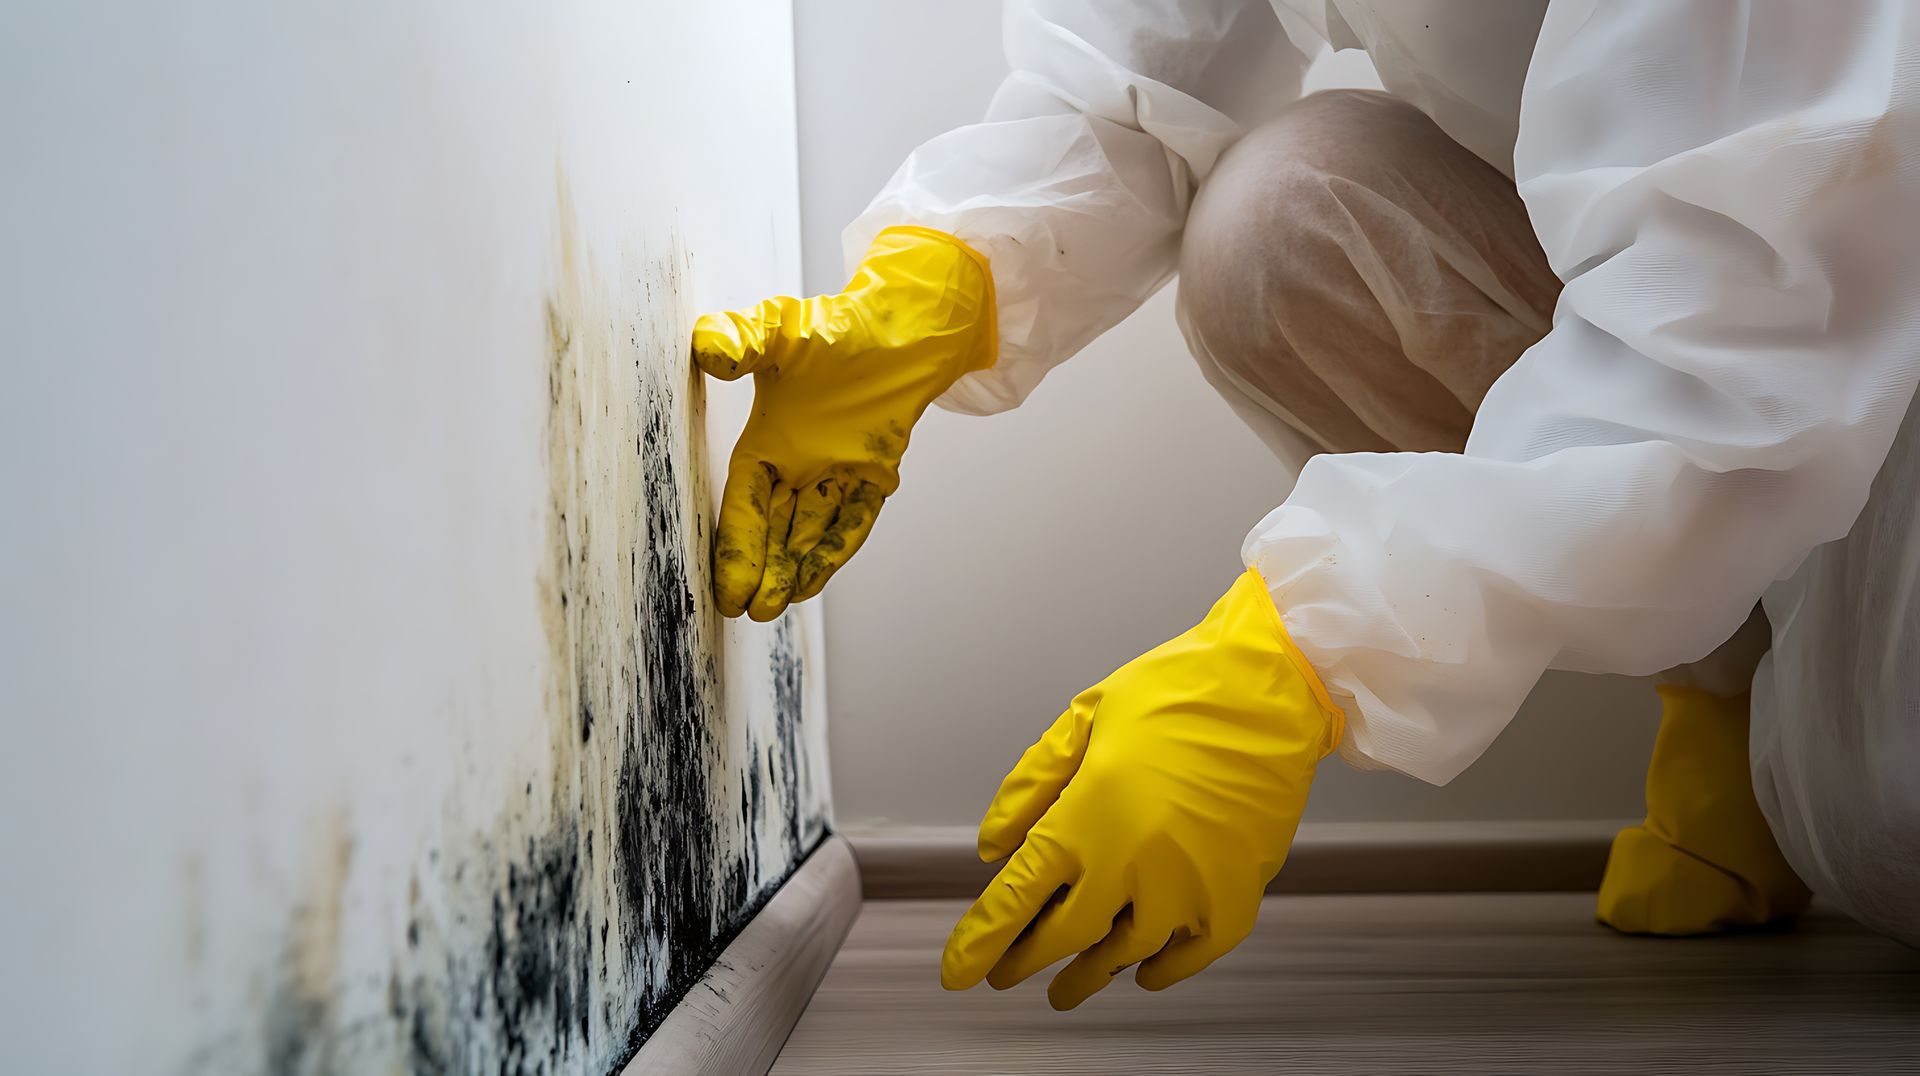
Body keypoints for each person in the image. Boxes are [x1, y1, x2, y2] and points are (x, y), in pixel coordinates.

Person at [690, 0, 1920, 1010]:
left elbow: (1757, 319)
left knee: (1882, 811)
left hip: (1857, 310)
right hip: (1726, 291)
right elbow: (1143, 56)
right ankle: (1719, 699)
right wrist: (938, 284)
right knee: (1277, 217)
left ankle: (1786, 749)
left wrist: (1302, 650)